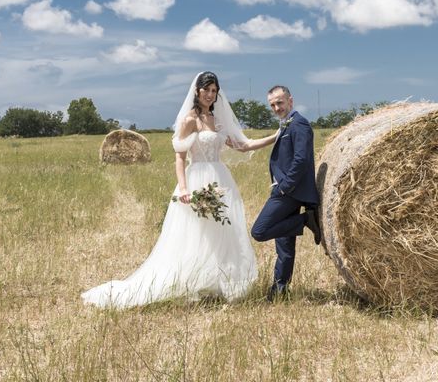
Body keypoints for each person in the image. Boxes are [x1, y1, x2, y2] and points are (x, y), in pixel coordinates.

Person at [81, 72, 268, 308]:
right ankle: (189, 281)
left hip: (220, 180)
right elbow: (180, 158)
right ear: (197, 91)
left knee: (222, 231)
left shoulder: (217, 120)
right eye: (206, 90)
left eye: (214, 91)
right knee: (195, 234)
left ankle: (219, 282)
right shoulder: (189, 120)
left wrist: (277, 136)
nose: (210, 95)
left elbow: (243, 145)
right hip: (197, 178)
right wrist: (183, 188)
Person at [232, 85, 320, 301]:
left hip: (289, 192)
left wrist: (283, 187)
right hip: (286, 190)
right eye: (272, 104)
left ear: (290, 100)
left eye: (280, 102)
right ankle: (279, 290)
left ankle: (304, 220)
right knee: (285, 245)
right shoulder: (286, 125)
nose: (276, 107)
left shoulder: (299, 124)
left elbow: (301, 160)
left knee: (259, 231)